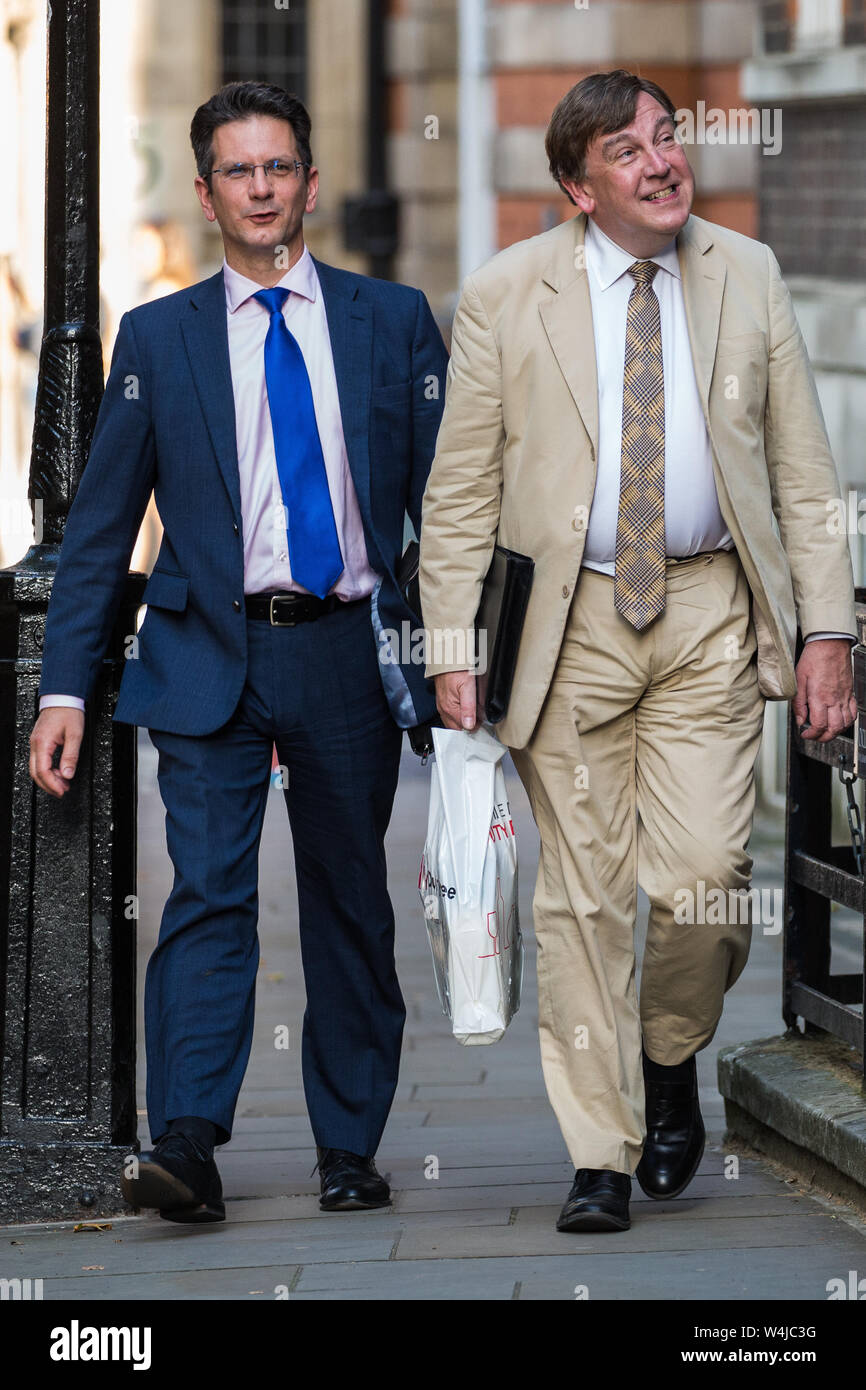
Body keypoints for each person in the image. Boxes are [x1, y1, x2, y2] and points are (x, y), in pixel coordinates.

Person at [419, 70, 857, 1234]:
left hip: (710, 615)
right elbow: (459, 490)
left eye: (666, 137)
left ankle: (667, 1054)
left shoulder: (744, 272)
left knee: (708, 878)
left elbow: (805, 474)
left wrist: (825, 631)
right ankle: (598, 1152)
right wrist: (453, 646)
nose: (662, 162)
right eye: (627, 150)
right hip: (565, 631)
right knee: (578, 903)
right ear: (576, 186)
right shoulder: (505, 295)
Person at [29, 81, 448, 1224]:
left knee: (350, 903)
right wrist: (64, 682)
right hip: (208, 653)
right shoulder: (156, 340)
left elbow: (452, 507)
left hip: (344, 658)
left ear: (307, 183)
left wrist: (453, 658)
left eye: (279, 168)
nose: (261, 189)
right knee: (206, 897)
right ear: (208, 192)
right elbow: (100, 529)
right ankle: (189, 1143)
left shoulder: (391, 319)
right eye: (237, 171)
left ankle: (349, 1145)